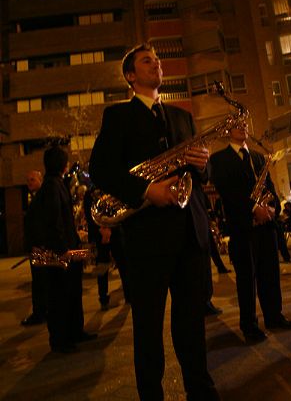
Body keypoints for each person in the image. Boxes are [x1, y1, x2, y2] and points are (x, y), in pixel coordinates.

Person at [89, 43, 220, 401]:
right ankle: (151, 395)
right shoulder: (117, 116)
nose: (156, 63)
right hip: (147, 237)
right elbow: (100, 169)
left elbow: (203, 174)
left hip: (189, 233)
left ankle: (201, 390)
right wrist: (147, 191)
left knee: (191, 323)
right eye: (147, 61)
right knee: (147, 327)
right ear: (130, 76)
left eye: (158, 60)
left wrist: (203, 161)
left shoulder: (182, 116)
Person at [210, 120, 291, 344]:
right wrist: (253, 209)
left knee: (271, 273)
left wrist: (272, 209)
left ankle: (274, 316)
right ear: (228, 131)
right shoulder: (218, 159)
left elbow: (269, 187)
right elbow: (226, 191)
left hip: (267, 226)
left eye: (245, 124)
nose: (243, 127)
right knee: (246, 279)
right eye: (237, 125)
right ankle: (249, 326)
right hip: (242, 228)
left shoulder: (259, 157)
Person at [24, 146, 96, 353]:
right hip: (61, 253)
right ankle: (61, 340)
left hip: (66, 250)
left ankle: (75, 332)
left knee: (72, 294)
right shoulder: (52, 186)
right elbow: (54, 221)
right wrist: (63, 248)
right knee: (61, 297)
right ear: (61, 164)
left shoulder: (55, 184)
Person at [21, 170, 48, 326]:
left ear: (40, 180)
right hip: (37, 247)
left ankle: (40, 313)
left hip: (39, 248)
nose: (29, 182)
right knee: (39, 281)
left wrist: (37, 245)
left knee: (39, 281)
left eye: (32, 179)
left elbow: (39, 225)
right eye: (27, 180)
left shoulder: (41, 199)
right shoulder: (36, 198)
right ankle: (41, 311)